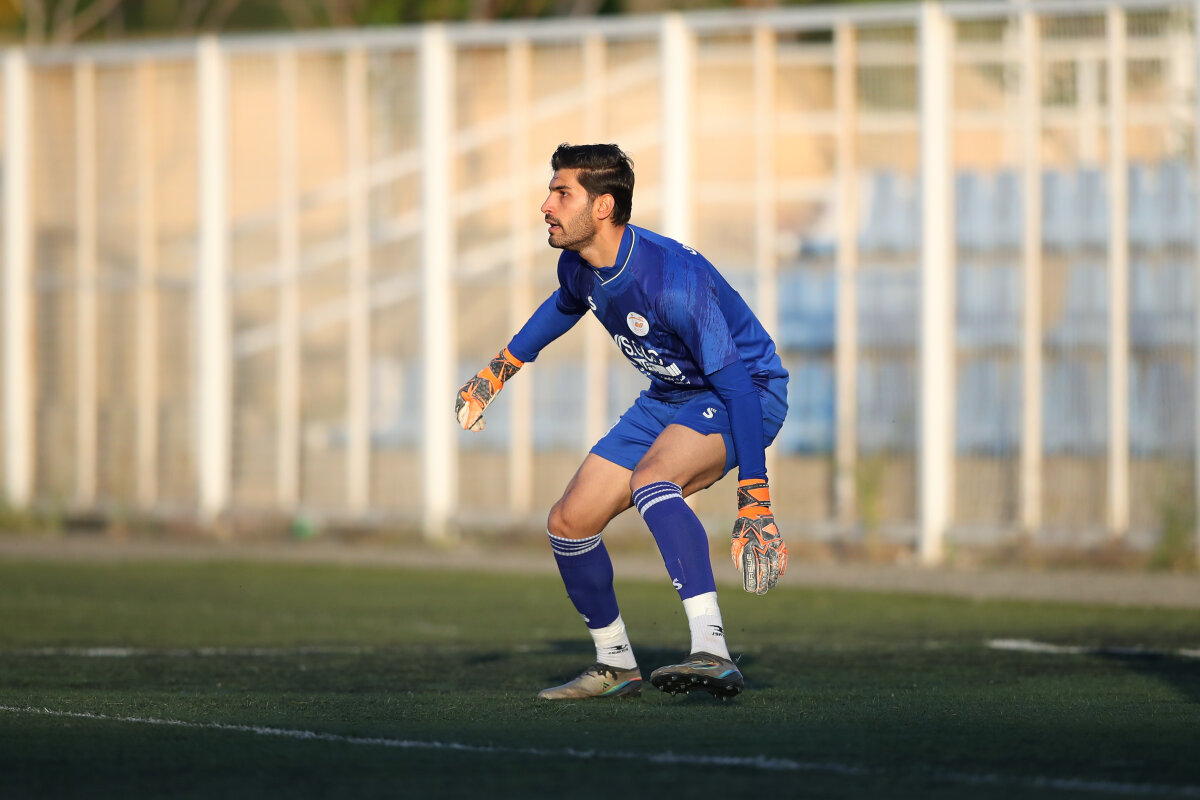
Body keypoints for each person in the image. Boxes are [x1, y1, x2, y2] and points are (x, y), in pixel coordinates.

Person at [455, 143, 789, 700]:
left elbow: (736, 385)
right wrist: (497, 371)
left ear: (603, 206)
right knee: (569, 522)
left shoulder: (672, 280)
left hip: (745, 393)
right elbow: (564, 305)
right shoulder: (577, 265)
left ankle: (712, 650)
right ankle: (615, 665)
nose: (546, 205)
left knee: (652, 480)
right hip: (670, 396)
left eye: (562, 193)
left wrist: (755, 495)